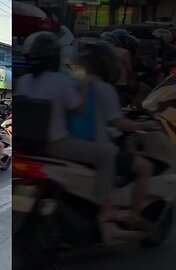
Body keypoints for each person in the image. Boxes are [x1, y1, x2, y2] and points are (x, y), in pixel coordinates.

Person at [16, 31, 119, 237]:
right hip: (56, 144)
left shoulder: (23, 81)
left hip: (24, 147)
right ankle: (102, 208)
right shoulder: (59, 81)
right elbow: (78, 108)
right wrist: (83, 82)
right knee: (109, 154)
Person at [77, 41, 159, 231]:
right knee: (145, 167)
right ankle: (135, 216)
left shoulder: (73, 84)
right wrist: (147, 124)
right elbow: (121, 124)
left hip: (70, 143)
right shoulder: (104, 89)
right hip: (94, 146)